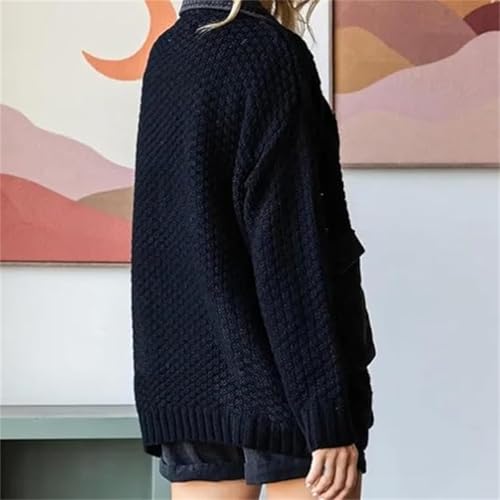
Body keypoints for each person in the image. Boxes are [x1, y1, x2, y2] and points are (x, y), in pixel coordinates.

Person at [131, 0, 377, 498]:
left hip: (191, 389)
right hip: (286, 387)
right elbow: (291, 252)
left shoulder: (168, 53)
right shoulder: (270, 53)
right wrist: (326, 412)